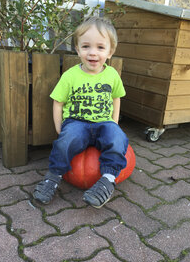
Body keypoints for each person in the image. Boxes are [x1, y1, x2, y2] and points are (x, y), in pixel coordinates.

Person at [33, 16, 129, 208]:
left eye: (100, 48)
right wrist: (60, 128)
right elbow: (58, 102)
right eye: (86, 47)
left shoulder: (112, 75)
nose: (93, 53)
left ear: (110, 52)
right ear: (77, 49)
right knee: (66, 141)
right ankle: (53, 177)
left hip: (104, 122)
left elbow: (116, 98)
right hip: (77, 122)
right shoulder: (70, 76)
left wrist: (114, 123)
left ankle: (107, 180)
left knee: (119, 139)